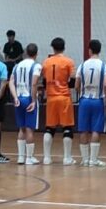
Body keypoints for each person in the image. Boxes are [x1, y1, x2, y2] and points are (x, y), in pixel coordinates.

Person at [41, 37, 76, 166]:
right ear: (64, 47)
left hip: (51, 98)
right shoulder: (68, 61)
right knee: (67, 128)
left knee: (49, 128)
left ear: (53, 48)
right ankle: (67, 158)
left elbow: (44, 81)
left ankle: (46, 158)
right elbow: (72, 81)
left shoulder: (46, 62)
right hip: (64, 97)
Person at [75, 39, 106, 167]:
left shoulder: (82, 65)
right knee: (96, 129)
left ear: (89, 50)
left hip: (84, 100)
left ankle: (85, 159)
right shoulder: (104, 66)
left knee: (83, 129)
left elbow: (76, 85)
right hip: (97, 100)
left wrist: (81, 93)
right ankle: (93, 160)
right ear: (99, 50)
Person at [10, 43, 42, 165]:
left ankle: (20, 157)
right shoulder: (36, 66)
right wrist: (33, 101)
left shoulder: (17, 66)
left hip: (19, 98)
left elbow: (11, 82)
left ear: (25, 53)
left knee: (21, 128)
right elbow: (34, 84)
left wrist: (15, 97)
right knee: (29, 129)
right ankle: (29, 157)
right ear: (36, 53)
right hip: (29, 98)